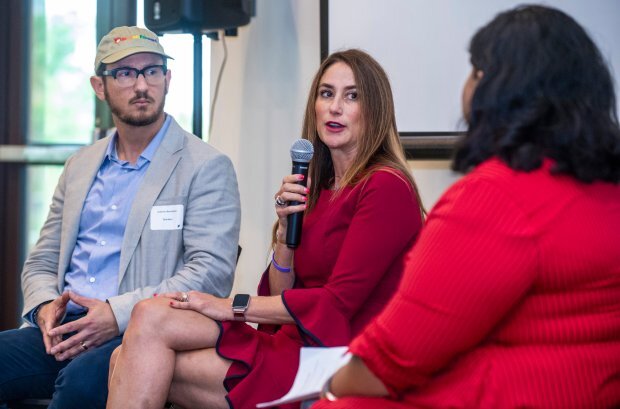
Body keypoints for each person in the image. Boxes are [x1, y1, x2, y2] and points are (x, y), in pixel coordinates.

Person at [313, 5, 620, 409]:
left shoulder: (496, 198)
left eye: (475, 70)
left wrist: (330, 387)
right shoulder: (607, 195)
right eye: (326, 94)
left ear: (496, 87)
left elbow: (391, 359)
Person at [105, 49, 425, 409]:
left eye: (352, 96)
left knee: (127, 357)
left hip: (341, 352)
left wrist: (230, 306)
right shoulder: (316, 187)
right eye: (326, 93)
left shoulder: (385, 186)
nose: (335, 107)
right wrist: (285, 236)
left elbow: (336, 303)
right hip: (298, 340)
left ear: (375, 110)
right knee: (147, 317)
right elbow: (283, 287)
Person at [0, 26, 241, 409]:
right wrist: (45, 306)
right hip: (63, 330)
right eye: (125, 73)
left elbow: (210, 272)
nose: (141, 84)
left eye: (152, 71)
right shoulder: (80, 165)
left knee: (80, 385)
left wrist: (117, 313)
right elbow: (41, 261)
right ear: (100, 86)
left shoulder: (206, 166)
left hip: (132, 334)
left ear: (168, 79)